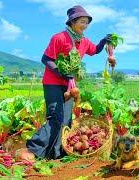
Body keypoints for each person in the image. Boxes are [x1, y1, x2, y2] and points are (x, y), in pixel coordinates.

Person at [25, 5, 115, 159]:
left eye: (87, 23)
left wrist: (103, 42)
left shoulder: (84, 41)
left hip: (69, 86)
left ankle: (56, 154)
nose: (85, 26)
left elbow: (94, 50)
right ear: (72, 22)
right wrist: (63, 73)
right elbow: (46, 59)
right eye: (82, 22)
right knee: (55, 117)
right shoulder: (59, 38)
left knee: (66, 120)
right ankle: (33, 149)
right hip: (53, 82)